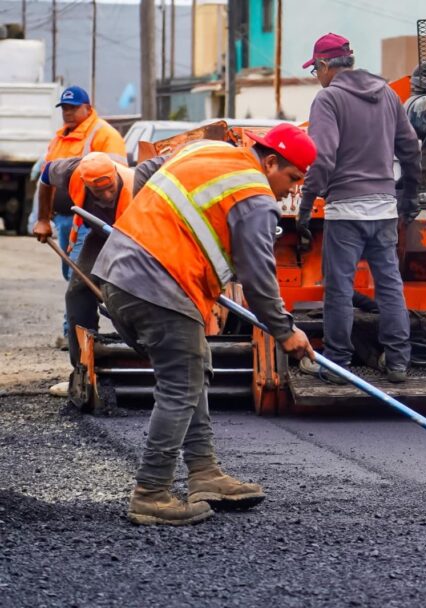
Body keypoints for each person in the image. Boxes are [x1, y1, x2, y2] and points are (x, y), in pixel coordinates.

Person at [91, 124, 317, 526]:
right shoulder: (255, 196)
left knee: (193, 371)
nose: (292, 190)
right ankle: (152, 493)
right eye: (293, 178)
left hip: (119, 273)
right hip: (159, 283)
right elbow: (259, 277)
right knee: (181, 384)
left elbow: (144, 172)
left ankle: (204, 472)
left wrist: (157, 227)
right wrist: (285, 331)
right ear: (270, 162)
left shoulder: (206, 151)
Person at [296, 33, 421, 384]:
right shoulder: (387, 94)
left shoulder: (328, 100)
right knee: (390, 287)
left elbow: (322, 157)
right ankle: (397, 362)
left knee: (338, 289)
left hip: (345, 212)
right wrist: (409, 195)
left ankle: (337, 364)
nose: (316, 77)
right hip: (384, 209)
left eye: (315, 70)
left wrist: (306, 206)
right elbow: (410, 148)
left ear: (323, 65)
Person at [33, 153, 135, 389]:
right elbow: (45, 175)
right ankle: (82, 367)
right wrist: (43, 219)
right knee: (77, 292)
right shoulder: (69, 170)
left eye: (111, 188)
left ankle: (151, 356)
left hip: (138, 242)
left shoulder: (136, 185)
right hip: (100, 237)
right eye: (100, 192)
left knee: (130, 295)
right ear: (86, 183)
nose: (107, 196)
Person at [42, 85, 127, 350]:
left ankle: (136, 337)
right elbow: (46, 176)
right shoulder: (64, 143)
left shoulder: (105, 135)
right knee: (78, 282)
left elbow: (115, 174)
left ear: (87, 108)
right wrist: (43, 218)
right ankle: (81, 350)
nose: (67, 112)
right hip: (82, 222)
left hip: (123, 228)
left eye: (73, 107)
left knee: (123, 286)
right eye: (64, 108)